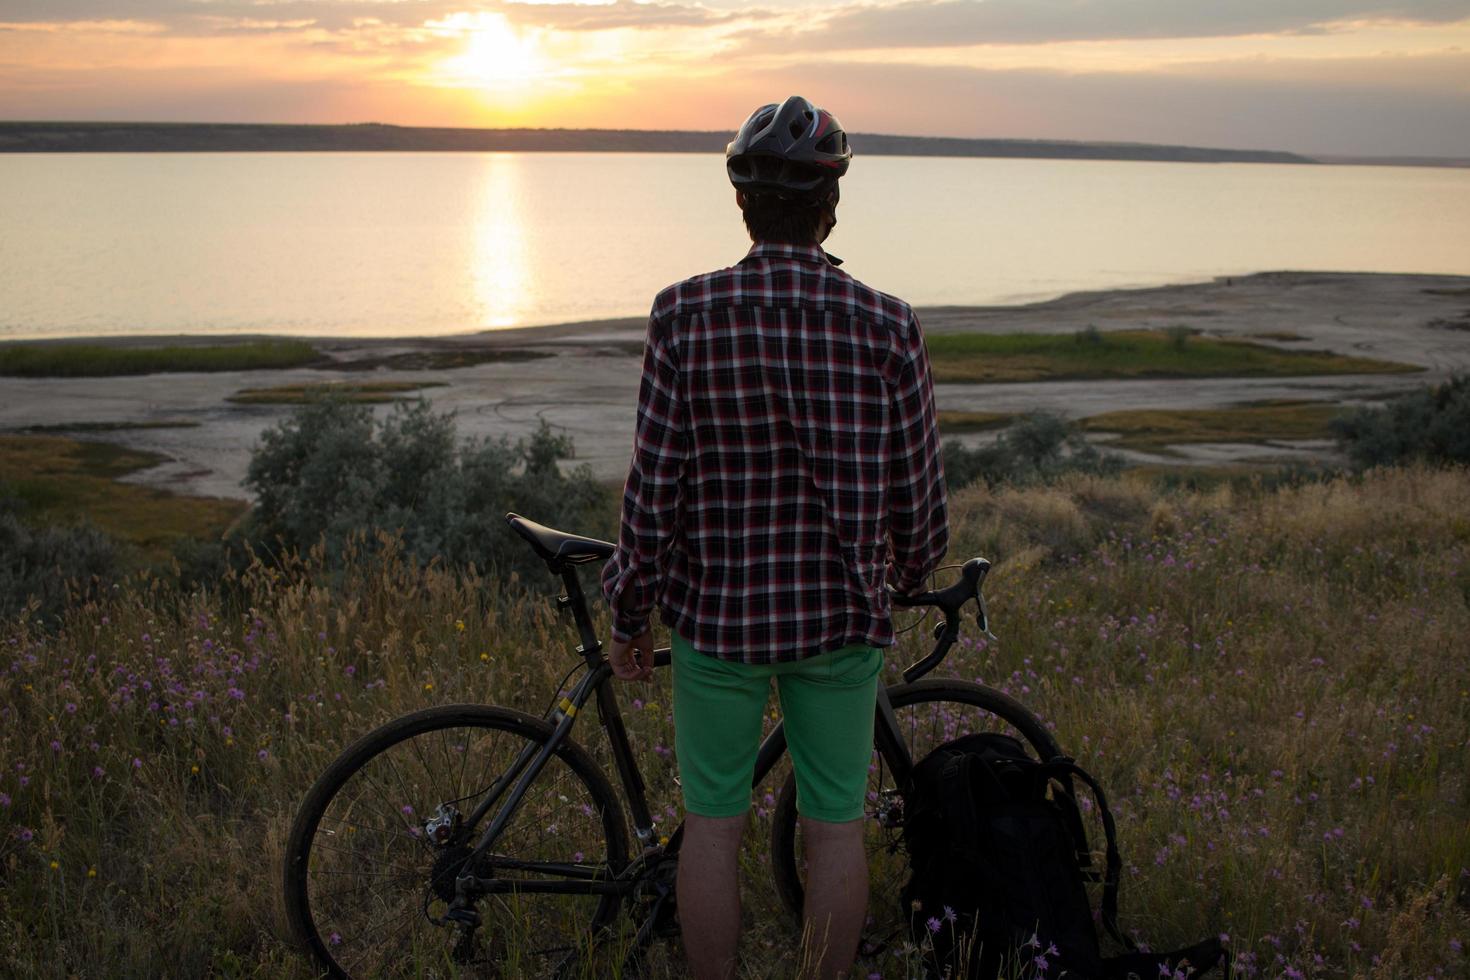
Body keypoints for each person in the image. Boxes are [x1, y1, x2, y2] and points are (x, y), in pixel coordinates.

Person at [601, 95, 948, 980]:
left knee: (713, 821)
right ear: (831, 205)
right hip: (839, 620)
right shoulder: (887, 323)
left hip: (715, 623)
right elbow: (919, 491)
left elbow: (653, 489)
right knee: (837, 825)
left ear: (743, 204)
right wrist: (910, 569)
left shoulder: (683, 313)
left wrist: (630, 609)